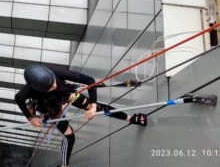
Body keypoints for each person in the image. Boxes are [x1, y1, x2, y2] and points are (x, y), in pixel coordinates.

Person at [15, 64, 147, 167]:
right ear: (37, 88)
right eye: (49, 86)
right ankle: (64, 165)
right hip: (49, 107)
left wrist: (93, 105)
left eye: (53, 81)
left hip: (66, 94)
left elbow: (90, 81)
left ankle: (130, 118)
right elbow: (18, 99)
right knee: (69, 136)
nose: (54, 85)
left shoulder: (56, 72)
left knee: (99, 107)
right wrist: (31, 118)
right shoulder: (27, 91)